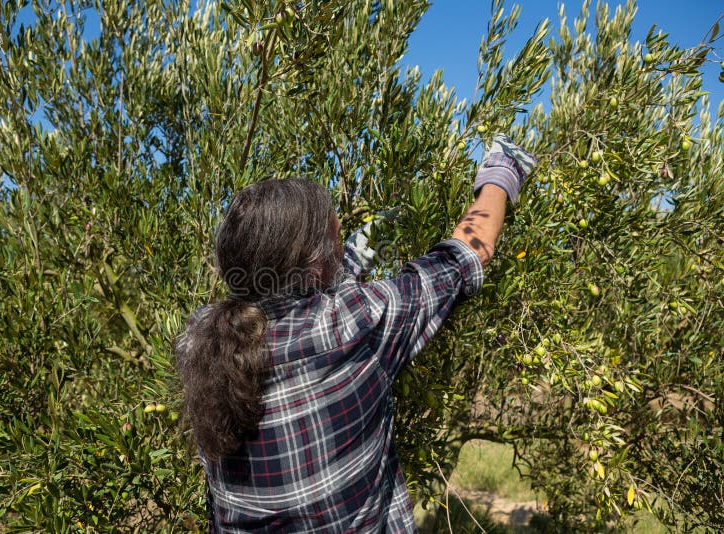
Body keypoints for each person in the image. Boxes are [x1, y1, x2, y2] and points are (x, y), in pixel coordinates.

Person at [175, 134, 535, 533]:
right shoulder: (353, 323)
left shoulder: (201, 338)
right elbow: (465, 256)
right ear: (315, 263)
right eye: (333, 229)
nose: (340, 226)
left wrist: (358, 248)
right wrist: (503, 169)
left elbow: (301, 298)